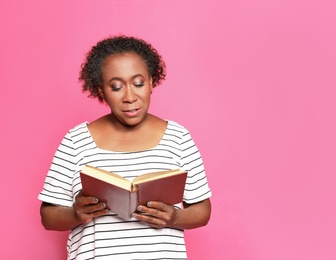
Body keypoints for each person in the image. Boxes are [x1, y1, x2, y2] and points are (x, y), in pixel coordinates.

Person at [38, 35, 212, 260]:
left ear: (151, 82)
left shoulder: (178, 138)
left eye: (138, 83)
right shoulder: (76, 140)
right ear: (101, 91)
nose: (130, 97)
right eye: (116, 87)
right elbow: (48, 217)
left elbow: (203, 210)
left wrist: (173, 218)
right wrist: (75, 213)